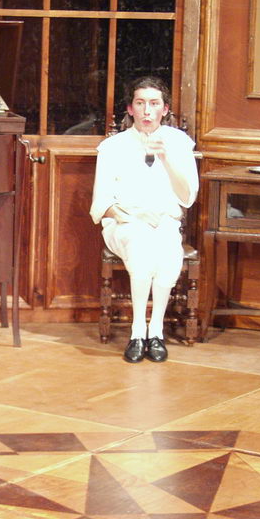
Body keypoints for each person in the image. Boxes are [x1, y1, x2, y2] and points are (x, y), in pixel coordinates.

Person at [90, 76, 198, 363]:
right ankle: (138, 331)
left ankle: (156, 331)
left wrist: (167, 160)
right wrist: (133, 217)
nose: (147, 111)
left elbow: (187, 196)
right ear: (130, 108)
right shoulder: (113, 147)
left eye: (154, 103)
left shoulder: (179, 143)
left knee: (167, 251)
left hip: (164, 222)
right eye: (140, 103)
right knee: (140, 244)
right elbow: (102, 203)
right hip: (124, 224)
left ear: (165, 109)